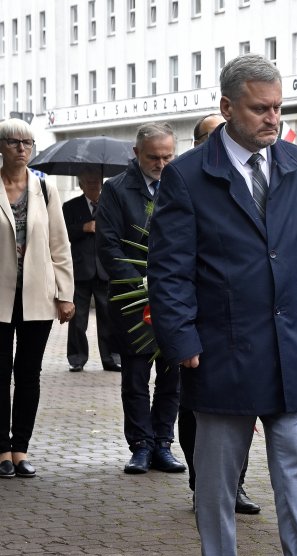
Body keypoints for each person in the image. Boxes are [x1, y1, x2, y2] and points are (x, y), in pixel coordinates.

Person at [148, 54, 297, 556]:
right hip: (221, 349)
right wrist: (181, 339)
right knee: (217, 477)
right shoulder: (188, 176)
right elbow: (170, 269)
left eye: (278, 107)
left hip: (292, 347)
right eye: (260, 109)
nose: (272, 118)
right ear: (227, 107)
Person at [173, 113, 261, 515]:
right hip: (202, 324)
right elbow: (175, 265)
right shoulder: (187, 179)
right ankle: (202, 483)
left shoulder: (259, 176)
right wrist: (181, 330)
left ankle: (235, 483)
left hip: (248, 326)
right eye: (211, 138)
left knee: (243, 410)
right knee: (200, 410)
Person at [96, 122, 185, 476]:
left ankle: (163, 442)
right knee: (135, 377)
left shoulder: (182, 185)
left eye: (167, 156)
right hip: (134, 301)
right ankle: (140, 445)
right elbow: (108, 244)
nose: (161, 164)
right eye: (153, 157)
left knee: (171, 375)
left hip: (175, 298)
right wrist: (142, 288)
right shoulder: (116, 190)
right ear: (136, 154)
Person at [0, 118, 75, 479]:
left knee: (28, 374)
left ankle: (20, 449)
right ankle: (1, 449)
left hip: (36, 297)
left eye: (28, 143)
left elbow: (60, 244)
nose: (22, 149)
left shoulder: (44, 188)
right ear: (1, 146)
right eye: (14, 142)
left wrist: (66, 294)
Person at [63, 167, 120, 373]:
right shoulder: (69, 207)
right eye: (89, 182)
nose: (94, 185)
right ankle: (77, 358)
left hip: (105, 269)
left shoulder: (110, 205)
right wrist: (83, 228)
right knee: (77, 319)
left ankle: (111, 358)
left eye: (97, 181)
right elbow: (61, 234)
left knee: (109, 317)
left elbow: (119, 232)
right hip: (80, 270)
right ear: (81, 185)